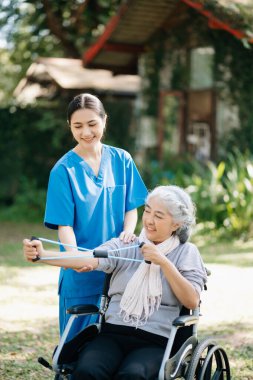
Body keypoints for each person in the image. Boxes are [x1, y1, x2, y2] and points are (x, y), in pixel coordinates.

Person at [24, 185, 207, 380]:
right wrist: (42, 255)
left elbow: (191, 300)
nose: (149, 220)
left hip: (157, 341)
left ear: (176, 224)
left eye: (159, 216)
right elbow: (87, 258)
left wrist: (162, 261)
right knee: (87, 371)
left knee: (132, 375)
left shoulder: (187, 252)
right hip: (113, 334)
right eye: (147, 211)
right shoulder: (126, 244)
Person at [43, 93, 147, 340]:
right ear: (70, 126)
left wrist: (128, 230)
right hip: (82, 273)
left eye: (92, 124)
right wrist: (76, 258)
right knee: (76, 347)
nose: (86, 132)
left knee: (114, 344)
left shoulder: (122, 159)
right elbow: (64, 225)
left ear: (104, 121)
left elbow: (131, 206)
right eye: (78, 126)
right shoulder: (62, 170)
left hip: (120, 269)